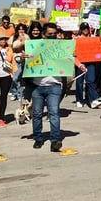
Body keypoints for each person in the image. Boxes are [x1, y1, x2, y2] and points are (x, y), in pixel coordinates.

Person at [28, 22, 75, 152]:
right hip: (38, 86)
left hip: (55, 85)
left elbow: (69, 58)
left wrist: (78, 63)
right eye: (50, 34)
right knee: (37, 114)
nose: (53, 36)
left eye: (55, 34)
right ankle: (38, 138)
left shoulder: (61, 47)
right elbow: (20, 51)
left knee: (54, 113)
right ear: (44, 34)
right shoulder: (35, 46)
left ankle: (55, 140)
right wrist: (25, 57)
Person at [74, 22, 101, 109]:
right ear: (81, 30)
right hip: (80, 62)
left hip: (91, 62)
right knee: (79, 82)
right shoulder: (76, 39)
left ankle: (93, 100)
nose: (85, 30)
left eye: (87, 28)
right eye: (83, 28)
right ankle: (79, 99)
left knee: (90, 80)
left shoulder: (93, 38)